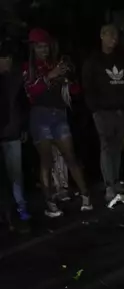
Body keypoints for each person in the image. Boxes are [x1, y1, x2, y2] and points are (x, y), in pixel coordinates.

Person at [25, 28, 92, 217]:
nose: (43, 50)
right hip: (40, 117)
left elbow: (75, 91)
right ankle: (50, 203)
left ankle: (86, 195)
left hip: (59, 115)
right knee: (46, 161)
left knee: (70, 156)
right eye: (39, 47)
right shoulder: (28, 67)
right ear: (33, 48)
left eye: (45, 46)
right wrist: (51, 75)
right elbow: (31, 92)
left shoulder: (55, 63)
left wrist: (69, 77)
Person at [83, 24, 124, 202]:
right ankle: (109, 184)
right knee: (106, 146)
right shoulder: (94, 60)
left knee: (117, 148)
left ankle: (117, 180)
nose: (114, 38)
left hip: (120, 109)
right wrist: (95, 110)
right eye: (110, 34)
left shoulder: (121, 59)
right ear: (102, 36)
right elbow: (88, 87)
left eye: (116, 35)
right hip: (103, 111)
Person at [0, 40, 30, 224]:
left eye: (9, 58)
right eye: (4, 58)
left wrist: (24, 127)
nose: (7, 61)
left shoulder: (16, 79)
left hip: (12, 134)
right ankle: (7, 212)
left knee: (15, 174)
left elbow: (23, 105)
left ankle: (20, 207)